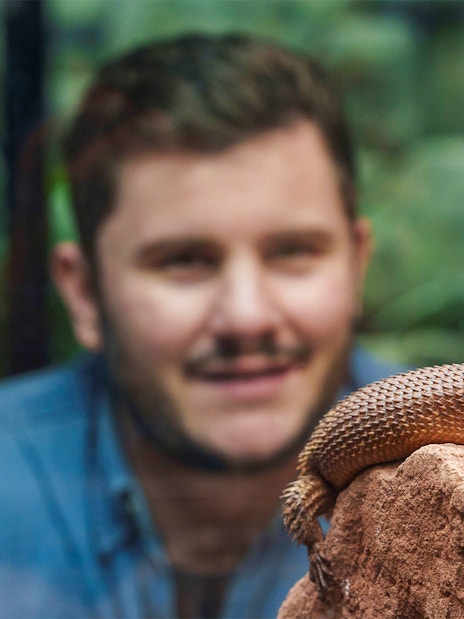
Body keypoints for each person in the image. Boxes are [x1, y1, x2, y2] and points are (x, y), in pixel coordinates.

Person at [0, 33, 405, 619]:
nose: (246, 317)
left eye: (294, 251)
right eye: (183, 260)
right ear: (85, 294)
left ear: (356, 265)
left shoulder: (445, 460)